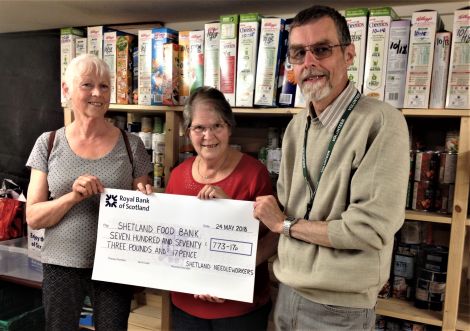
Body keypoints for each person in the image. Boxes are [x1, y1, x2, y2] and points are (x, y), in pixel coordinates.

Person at [253, 5, 409, 330]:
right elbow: (285, 204)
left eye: (322, 49)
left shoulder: (381, 122)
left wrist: (285, 226)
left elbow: (367, 229)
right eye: (298, 53)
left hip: (339, 308)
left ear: (349, 54)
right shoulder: (297, 126)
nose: (309, 62)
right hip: (286, 292)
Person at [26, 53, 153, 331]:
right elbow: (33, 217)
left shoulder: (132, 145)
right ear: (66, 89)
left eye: (104, 86)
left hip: (115, 264)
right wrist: (72, 196)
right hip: (61, 264)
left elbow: (144, 212)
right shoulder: (48, 143)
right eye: (87, 85)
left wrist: (147, 200)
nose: (97, 93)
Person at [165, 86, 278, 331]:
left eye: (217, 126)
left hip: (239, 309)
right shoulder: (177, 176)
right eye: (199, 128)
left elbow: (274, 234)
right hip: (186, 306)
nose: (209, 136)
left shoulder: (254, 173)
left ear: (229, 127)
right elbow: (171, 241)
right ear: (188, 132)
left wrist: (231, 210)